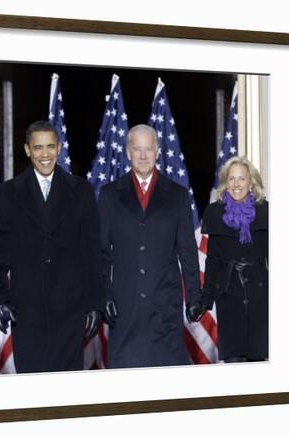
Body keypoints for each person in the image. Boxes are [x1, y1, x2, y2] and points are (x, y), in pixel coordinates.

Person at [0, 120, 103, 373]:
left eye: (51, 146)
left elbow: (92, 253)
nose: (45, 154)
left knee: (67, 392)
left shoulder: (81, 191)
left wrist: (95, 303)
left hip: (70, 312)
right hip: (26, 312)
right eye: (38, 148)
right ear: (27, 150)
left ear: (59, 148)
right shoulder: (7, 194)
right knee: (32, 391)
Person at [98, 124, 203, 368]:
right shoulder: (109, 195)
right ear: (127, 152)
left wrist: (195, 297)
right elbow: (100, 253)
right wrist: (103, 295)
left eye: (148, 149)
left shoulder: (177, 196)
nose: (143, 155)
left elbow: (188, 252)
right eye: (137, 149)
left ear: (157, 151)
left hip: (165, 308)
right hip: (124, 310)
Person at [201, 156, 268, 362]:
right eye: (231, 179)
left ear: (251, 183)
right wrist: (206, 300)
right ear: (225, 183)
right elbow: (212, 262)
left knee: (260, 366)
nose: (236, 184)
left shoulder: (266, 211)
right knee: (234, 366)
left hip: (261, 299)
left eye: (241, 179)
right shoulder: (214, 212)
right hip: (229, 298)